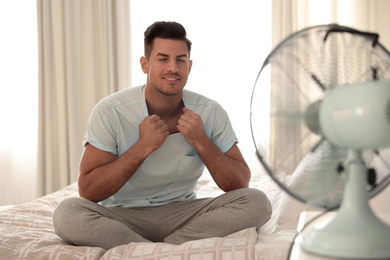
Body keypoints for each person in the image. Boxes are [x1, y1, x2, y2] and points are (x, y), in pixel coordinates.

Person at [53, 21, 271, 250]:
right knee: (67, 213)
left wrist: (201, 141)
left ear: (190, 65)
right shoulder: (110, 110)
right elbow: (88, 191)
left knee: (258, 202)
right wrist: (143, 147)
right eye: (163, 59)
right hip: (121, 215)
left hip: (184, 213)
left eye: (180, 60)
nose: (173, 68)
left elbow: (239, 183)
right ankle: (159, 251)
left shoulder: (209, 110)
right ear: (145, 64)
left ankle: (154, 250)